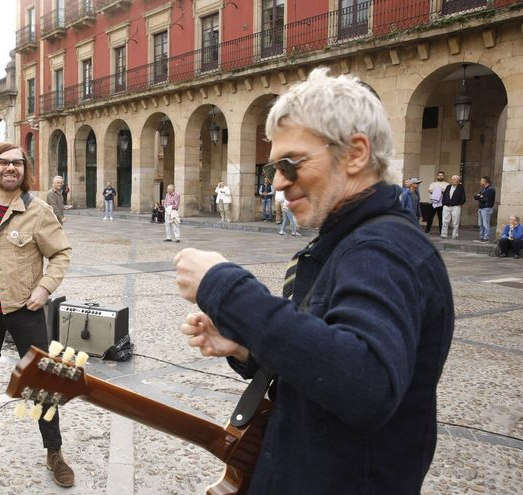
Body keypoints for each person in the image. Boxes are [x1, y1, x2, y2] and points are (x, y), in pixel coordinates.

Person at [174, 68, 453, 494]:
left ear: (355, 153)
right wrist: (246, 346)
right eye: (273, 168)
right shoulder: (352, 241)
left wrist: (223, 285)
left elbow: (365, 383)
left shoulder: (382, 249)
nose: (279, 182)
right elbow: (327, 355)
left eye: (291, 163)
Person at [0, 142, 74, 487]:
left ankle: (54, 451)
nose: (10, 168)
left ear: (24, 169)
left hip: (26, 310)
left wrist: (45, 288)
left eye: (17, 163)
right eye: (3, 162)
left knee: (40, 382)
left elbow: (61, 253)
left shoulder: (39, 210)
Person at [441, 175, 465, 239]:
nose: (455, 181)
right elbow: (444, 195)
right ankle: (444, 235)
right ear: (452, 180)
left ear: (458, 181)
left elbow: (463, 198)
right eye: (454, 179)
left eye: (457, 179)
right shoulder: (448, 187)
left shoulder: (461, 187)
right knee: (445, 221)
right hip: (446, 206)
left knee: (455, 222)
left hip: (456, 207)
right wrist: (443, 203)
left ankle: (455, 235)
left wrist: (460, 204)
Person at [473, 176, 495, 243]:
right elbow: (475, 197)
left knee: (486, 224)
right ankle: (481, 237)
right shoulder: (483, 189)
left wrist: (480, 196)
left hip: (486, 208)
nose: (480, 182)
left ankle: (486, 238)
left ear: (486, 181)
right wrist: (480, 196)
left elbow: (485, 199)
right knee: (481, 224)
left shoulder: (491, 189)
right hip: (481, 208)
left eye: (481, 180)